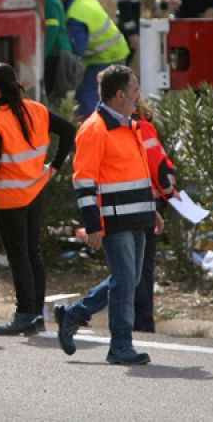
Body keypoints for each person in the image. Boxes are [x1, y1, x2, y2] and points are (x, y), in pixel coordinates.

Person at [54, 64, 163, 365]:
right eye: (135, 90)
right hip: (114, 220)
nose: (139, 96)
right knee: (126, 280)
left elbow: (138, 173)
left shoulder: (130, 124)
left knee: (128, 279)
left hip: (137, 215)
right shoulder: (94, 129)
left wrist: (151, 210)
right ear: (118, 96)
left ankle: (73, 314)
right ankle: (120, 345)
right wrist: (93, 226)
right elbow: (83, 181)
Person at [0, 62, 75, 335]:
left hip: (9, 198)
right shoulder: (36, 110)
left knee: (19, 257)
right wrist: (55, 167)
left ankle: (25, 312)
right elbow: (68, 130)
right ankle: (36, 314)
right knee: (32, 253)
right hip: (36, 190)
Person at [131, 99, 177, 333]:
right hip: (151, 199)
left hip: (136, 200)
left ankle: (138, 320)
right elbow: (160, 166)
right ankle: (143, 321)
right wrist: (169, 192)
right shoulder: (142, 125)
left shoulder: (129, 126)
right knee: (142, 265)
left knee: (132, 265)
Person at [56, 0, 130, 120]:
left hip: (104, 57)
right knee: (109, 98)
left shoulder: (74, 16)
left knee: (86, 97)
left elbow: (78, 49)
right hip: (118, 50)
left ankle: (91, 129)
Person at [44, 0, 81, 110]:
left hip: (56, 54)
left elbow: (52, 30)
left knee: (53, 96)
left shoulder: (49, 1)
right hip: (59, 53)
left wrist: (42, 55)